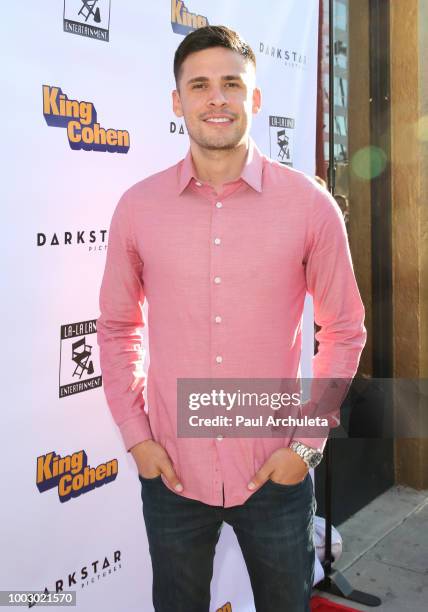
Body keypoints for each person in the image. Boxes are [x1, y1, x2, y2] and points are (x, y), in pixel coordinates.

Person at [97, 25, 366, 612]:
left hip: (276, 468)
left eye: (231, 84)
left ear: (255, 98)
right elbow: (118, 328)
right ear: (178, 101)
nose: (216, 98)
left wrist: (308, 445)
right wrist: (138, 439)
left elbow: (344, 330)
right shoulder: (138, 208)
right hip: (171, 471)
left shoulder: (310, 206)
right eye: (199, 85)